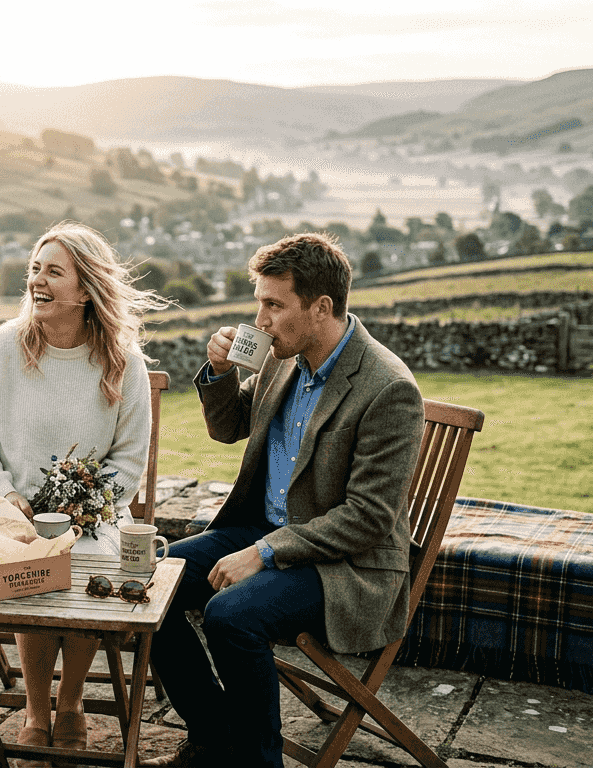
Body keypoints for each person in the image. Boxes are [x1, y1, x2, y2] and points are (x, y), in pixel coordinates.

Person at [145, 232, 425, 768]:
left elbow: (368, 519)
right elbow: (228, 428)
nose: (261, 320)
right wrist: (222, 375)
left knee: (232, 616)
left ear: (321, 308)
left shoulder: (388, 388)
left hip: (348, 566)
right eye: (259, 304)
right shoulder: (281, 358)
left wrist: (266, 552)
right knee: (151, 584)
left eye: (273, 305)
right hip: (267, 531)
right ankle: (216, 736)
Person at [0, 221, 167, 766]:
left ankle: (69, 703)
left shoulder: (124, 362)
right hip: (7, 509)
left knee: (85, 561)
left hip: (94, 515)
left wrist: (88, 504)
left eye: (53, 272)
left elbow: (129, 459)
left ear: (85, 289)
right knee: (30, 555)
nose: (36, 281)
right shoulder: (1, 348)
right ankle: (34, 710)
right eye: (34, 269)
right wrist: (5, 495)